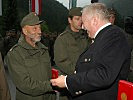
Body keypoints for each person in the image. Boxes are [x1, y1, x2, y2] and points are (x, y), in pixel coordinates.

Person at [51, 3, 131, 100]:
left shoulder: (114, 37)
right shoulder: (103, 37)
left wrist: (68, 81)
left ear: (94, 20)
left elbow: (104, 74)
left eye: (84, 22)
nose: (83, 27)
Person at [6, 12, 56, 100]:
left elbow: (47, 73)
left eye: (40, 28)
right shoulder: (15, 54)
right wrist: (52, 85)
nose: (40, 32)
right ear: (25, 31)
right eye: (34, 28)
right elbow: (24, 84)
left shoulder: (43, 49)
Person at [54, 7, 89, 75]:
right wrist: (77, 71)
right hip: (71, 78)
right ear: (70, 20)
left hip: (85, 77)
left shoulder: (86, 37)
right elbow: (61, 61)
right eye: (77, 19)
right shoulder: (62, 39)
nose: (80, 22)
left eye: (82, 19)